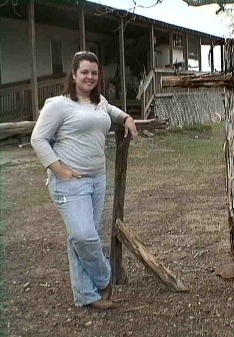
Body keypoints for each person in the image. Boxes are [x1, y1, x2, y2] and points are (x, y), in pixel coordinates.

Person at [31, 51, 138, 309]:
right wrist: (60, 170)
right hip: (70, 183)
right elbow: (38, 138)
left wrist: (127, 118)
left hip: (97, 180)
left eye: (94, 72)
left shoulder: (99, 102)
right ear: (74, 74)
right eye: (84, 72)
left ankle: (86, 295)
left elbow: (112, 111)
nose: (90, 77)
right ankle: (104, 279)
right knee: (84, 236)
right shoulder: (57, 104)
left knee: (78, 237)